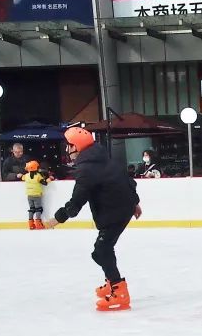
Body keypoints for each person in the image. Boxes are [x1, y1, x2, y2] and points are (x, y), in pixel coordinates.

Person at [47, 127, 142, 311]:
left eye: (69, 146)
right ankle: (111, 281)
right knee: (102, 251)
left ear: (77, 147)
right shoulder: (101, 158)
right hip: (121, 208)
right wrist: (135, 203)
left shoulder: (87, 168)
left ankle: (119, 291)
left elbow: (77, 200)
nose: (67, 150)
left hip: (115, 212)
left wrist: (58, 218)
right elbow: (125, 180)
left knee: (101, 251)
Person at [23, 160, 51, 230]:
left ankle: (31, 224)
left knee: (31, 209)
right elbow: (44, 183)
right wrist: (48, 179)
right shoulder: (38, 176)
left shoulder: (26, 176)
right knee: (38, 209)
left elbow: (22, 178)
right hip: (37, 195)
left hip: (29, 195)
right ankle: (38, 223)